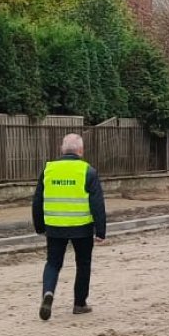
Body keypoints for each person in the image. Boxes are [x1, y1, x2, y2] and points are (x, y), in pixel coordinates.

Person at [33, 133, 107, 320]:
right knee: (83, 264)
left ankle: (48, 293)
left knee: (53, 263)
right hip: (81, 228)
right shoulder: (88, 171)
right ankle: (79, 304)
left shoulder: (48, 169)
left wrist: (39, 226)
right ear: (81, 151)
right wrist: (101, 230)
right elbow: (97, 203)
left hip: (55, 227)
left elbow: (37, 200)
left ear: (61, 149)